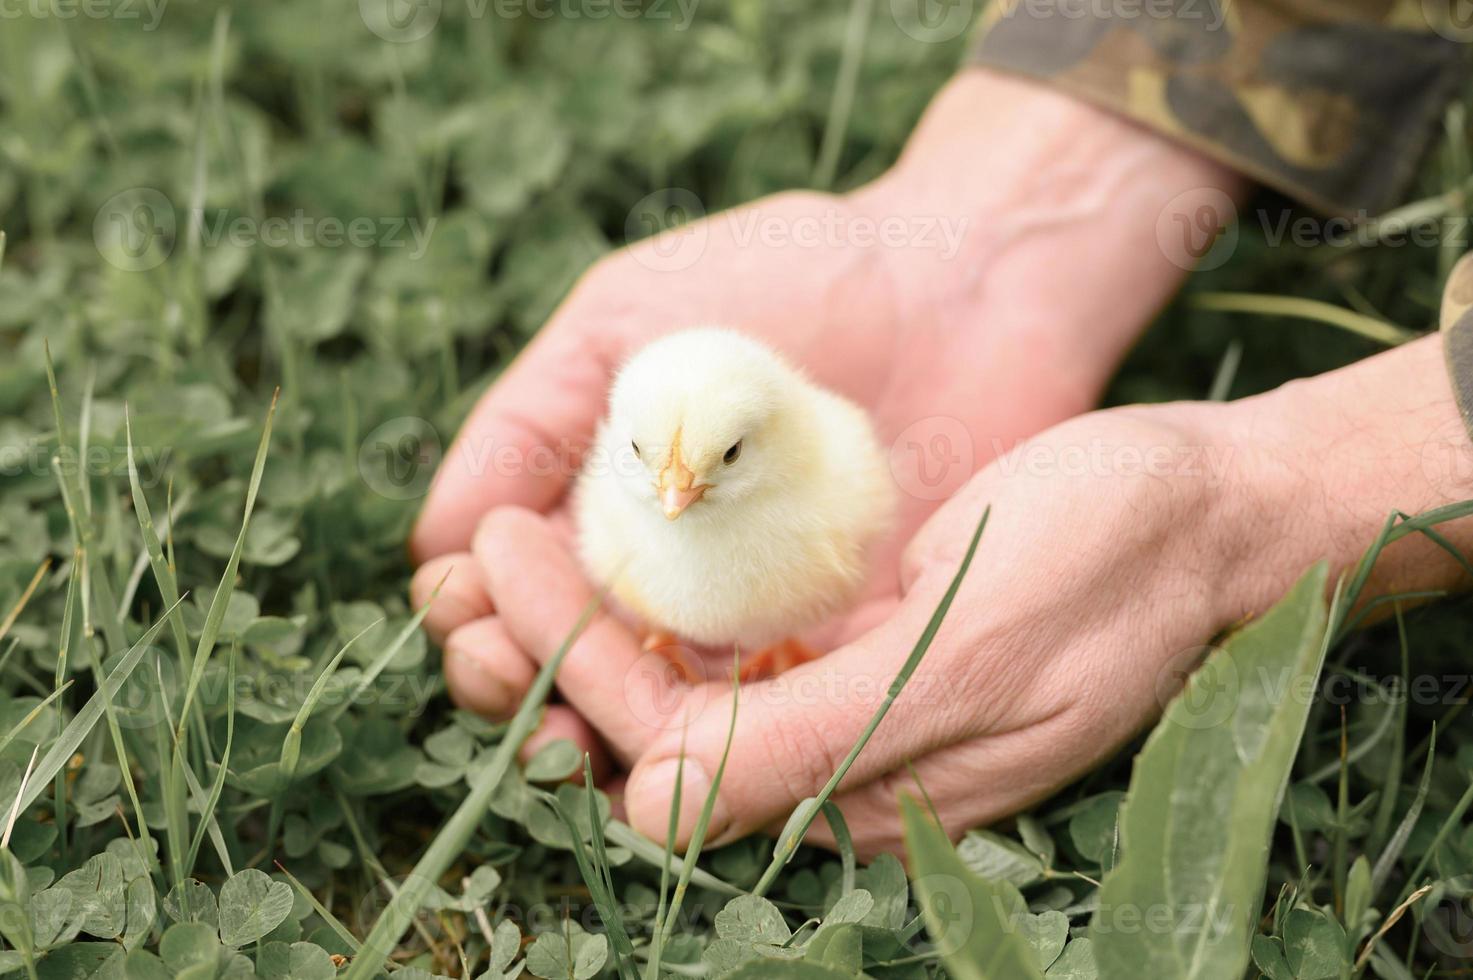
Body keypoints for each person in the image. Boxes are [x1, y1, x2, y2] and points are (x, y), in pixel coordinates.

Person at [408, 2, 1473, 857]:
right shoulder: (677, 471)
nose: (674, 491)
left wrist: (1289, 483)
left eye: (715, 461)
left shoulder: (814, 478)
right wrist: (1000, 209)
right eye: (659, 466)